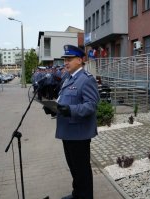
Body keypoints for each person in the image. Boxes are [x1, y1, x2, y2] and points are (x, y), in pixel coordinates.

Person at [56, 44, 100, 199]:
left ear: (81, 60)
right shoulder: (68, 78)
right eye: (65, 59)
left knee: (82, 170)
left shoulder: (86, 80)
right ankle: (77, 194)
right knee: (74, 168)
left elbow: (91, 106)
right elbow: (63, 101)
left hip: (79, 133)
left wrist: (70, 110)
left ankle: (85, 196)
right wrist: (54, 109)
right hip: (67, 131)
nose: (65, 62)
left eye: (69, 59)